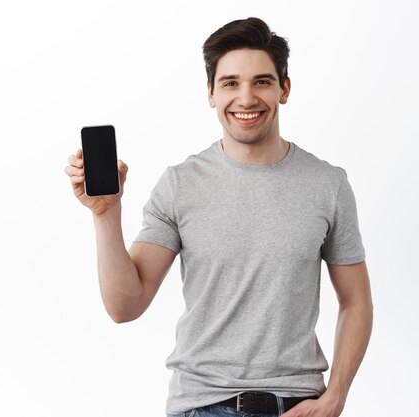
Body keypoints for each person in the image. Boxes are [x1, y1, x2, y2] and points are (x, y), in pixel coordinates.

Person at [65, 17, 373, 417]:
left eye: (261, 81)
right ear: (210, 93)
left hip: (298, 403)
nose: (246, 98)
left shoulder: (327, 184)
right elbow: (125, 306)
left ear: (285, 89)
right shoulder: (179, 185)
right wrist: (106, 215)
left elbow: (356, 301)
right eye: (230, 83)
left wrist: (336, 396)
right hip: (201, 405)